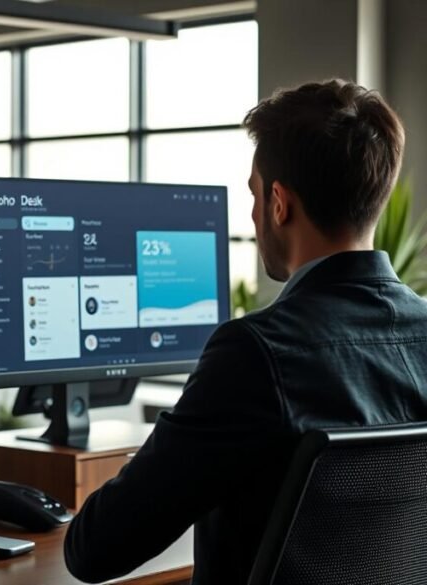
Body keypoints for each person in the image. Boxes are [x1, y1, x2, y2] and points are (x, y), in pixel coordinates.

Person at [64, 79, 425, 584]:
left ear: (280, 203)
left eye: (255, 196)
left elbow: (94, 551)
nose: (254, 215)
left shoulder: (256, 354)